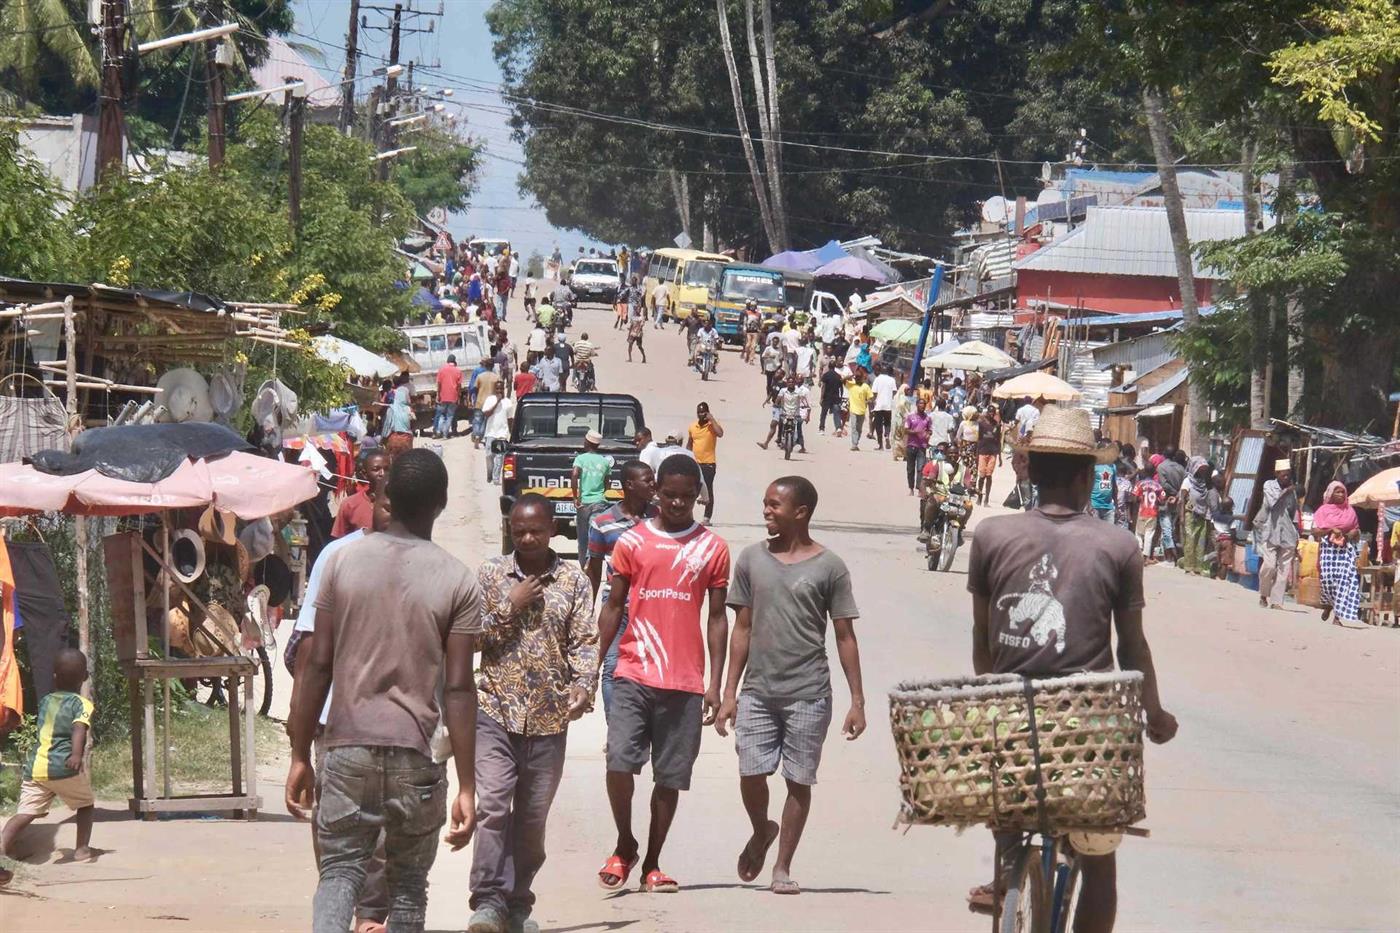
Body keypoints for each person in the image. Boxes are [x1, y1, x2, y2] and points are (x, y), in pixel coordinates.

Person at [966, 406, 1177, 926]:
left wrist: (991, 696)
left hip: (1012, 712)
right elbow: (1132, 646)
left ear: (1030, 471)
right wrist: (1154, 713)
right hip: (1090, 720)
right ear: (1088, 476)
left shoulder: (991, 536)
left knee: (1010, 808)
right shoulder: (1120, 545)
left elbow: (983, 635)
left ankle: (1010, 864)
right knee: (1099, 864)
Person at [285, 450, 484, 933]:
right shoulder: (457, 580)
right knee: (410, 886)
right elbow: (458, 689)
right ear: (440, 504)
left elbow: (317, 666)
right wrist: (467, 784)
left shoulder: (341, 562)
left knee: (339, 873)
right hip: (416, 756)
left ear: (387, 496)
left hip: (347, 748)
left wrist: (298, 754)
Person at [714, 476, 864, 896]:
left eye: (774, 505)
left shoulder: (830, 566)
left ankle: (782, 866)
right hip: (758, 691)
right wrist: (729, 693)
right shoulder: (750, 560)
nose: (766, 511)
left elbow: (845, 636)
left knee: (799, 780)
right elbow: (741, 628)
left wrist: (857, 701)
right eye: (764, 503)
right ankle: (762, 829)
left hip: (809, 692)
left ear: (801, 513)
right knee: (751, 773)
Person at [593, 455, 730, 895]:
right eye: (668, 494)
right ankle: (624, 842)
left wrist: (716, 683)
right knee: (619, 761)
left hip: (685, 681)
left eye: (686, 497)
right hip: (633, 671)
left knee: (669, 777)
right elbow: (613, 606)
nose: (676, 503)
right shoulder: (631, 542)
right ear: (656, 492)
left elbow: (717, 618)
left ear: (697, 496)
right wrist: (595, 663)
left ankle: (652, 861)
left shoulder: (713, 548)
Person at [470, 496, 596, 933]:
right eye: (519, 531)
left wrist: (583, 686)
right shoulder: (490, 574)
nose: (527, 538)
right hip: (494, 710)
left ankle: (518, 902)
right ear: (510, 529)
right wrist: (511, 603)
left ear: (551, 530)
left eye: (536, 531)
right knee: (491, 806)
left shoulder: (574, 579)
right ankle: (487, 901)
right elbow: (469, 638)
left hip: (548, 718)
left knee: (531, 817)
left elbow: (584, 641)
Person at [286, 482, 393, 933]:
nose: (395, 512)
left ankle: (370, 916)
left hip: (397, 729)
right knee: (333, 827)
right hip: (336, 722)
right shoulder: (337, 556)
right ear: (372, 504)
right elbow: (310, 651)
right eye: (388, 502)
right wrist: (297, 745)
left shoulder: (431, 565)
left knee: (388, 830)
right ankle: (341, 903)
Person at [2, 649, 95, 868]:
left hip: (36, 768)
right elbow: (79, 729)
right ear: (85, 677)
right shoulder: (82, 704)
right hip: (63, 767)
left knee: (26, 812)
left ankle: (2, 846)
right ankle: (81, 849)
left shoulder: (45, 701)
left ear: (54, 676)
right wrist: (76, 754)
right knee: (86, 804)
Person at [588, 461, 659, 720]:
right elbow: (594, 569)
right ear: (629, 485)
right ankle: (616, 727)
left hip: (652, 605)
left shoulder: (659, 518)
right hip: (617, 605)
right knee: (611, 667)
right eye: (648, 480)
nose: (654, 484)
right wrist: (589, 607)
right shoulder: (603, 522)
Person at [1312, 480, 1361, 625]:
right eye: (1337, 492)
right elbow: (1315, 532)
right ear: (1330, 494)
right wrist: (1330, 530)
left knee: (1343, 581)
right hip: (1328, 550)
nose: (1340, 495)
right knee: (1327, 581)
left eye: (1342, 492)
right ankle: (1328, 605)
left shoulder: (1350, 511)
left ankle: (1338, 616)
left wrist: (1350, 534)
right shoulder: (1323, 511)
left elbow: (1357, 531)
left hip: (1345, 550)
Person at [571, 431, 615, 567]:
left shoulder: (580, 459)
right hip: (599, 503)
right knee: (593, 535)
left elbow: (574, 475)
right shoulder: (605, 462)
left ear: (587, 442)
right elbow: (608, 482)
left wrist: (575, 496)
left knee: (583, 537)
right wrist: (602, 493)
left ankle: (584, 566)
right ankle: (592, 567)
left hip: (583, 503)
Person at [333, 450, 389, 538]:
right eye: (376, 469)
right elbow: (340, 541)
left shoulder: (399, 503)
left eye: (387, 469)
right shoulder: (349, 504)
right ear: (364, 474)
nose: (382, 474)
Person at [688, 403, 724, 525]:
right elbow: (690, 443)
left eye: (703, 412)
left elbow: (720, 433)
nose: (701, 414)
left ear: (707, 412)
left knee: (707, 490)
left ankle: (707, 518)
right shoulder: (693, 427)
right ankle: (688, 515)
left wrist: (712, 419)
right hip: (695, 463)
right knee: (692, 490)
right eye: (699, 412)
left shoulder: (712, 426)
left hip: (709, 464)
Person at [1155, 450, 1187, 565]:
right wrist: (1178, 494)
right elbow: (1184, 485)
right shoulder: (1181, 468)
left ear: (1164, 455)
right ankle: (1171, 556)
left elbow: (1164, 485)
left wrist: (1173, 493)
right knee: (1171, 529)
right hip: (1178, 502)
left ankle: (1171, 558)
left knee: (1166, 529)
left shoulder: (1161, 467)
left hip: (1166, 502)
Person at [482, 394, 517, 485]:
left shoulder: (508, 402)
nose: (499, 391)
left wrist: (511, 434)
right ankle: (490, 473)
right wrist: (497, 402)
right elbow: (486, 414)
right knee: (489, 456)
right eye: (497, 389)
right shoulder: (489, 399)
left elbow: (510, 419)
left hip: (501, 434)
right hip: (490, 433)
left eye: (501, 388)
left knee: (499, 457)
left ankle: (496, 478)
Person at [1132, 467, 1164, 561]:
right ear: (1154, 473)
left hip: (1142, 511)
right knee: (1149, 534)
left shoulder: (1139, 484)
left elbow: (1134, 499)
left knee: (1138, 533)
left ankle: (1138, 553)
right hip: (1153, 513)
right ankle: (1146, 557)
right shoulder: (1158, 485)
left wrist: (1139, 500)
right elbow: (1162, 500)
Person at [904, 397, 933, 497]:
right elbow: (906, 430)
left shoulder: (928, 418)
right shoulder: (910, 417)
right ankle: (910, 488)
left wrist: (928, 434)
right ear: (917, 405)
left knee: (921, 469)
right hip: (911, 445)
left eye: (924, 404)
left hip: (922, 446)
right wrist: (916, 432)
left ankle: (919, 488)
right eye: (920, 404)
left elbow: (930, 430)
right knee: (910, 469)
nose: (922, 406)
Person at [381, 375, 414, 461]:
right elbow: (413, 423)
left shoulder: (391, 409)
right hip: (407, 440)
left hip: (394, 440)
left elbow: (386, 427)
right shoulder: (408, 409)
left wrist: (382, 439)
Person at [975, 408, 1001, 506]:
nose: (991, 414)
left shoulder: (997, 425)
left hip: (993, 452)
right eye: (989, 412)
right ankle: (979, 497)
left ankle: (987, 499)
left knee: (989, 475)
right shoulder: (981, 424)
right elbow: (979, 439)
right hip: (982, 451)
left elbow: (998, 440)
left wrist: (1000, 456)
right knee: (981, 476)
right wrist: (977, 454)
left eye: (992, 412)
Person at [472, 360, 501, 448]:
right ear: (493, 367)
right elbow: (499, 390)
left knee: (477, 420)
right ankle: (482, 436)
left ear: (485, 366)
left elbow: (475, 388)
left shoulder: (480, 376)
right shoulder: (496, 377)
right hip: (491, 403)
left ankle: (477, 435)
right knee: (487, 421)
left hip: (480, 401)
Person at [435, 354, 464, 439]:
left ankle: (439, 430)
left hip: (442, 396)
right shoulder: (458, 371)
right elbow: (459, 386)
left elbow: (439, 384)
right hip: (453, 397)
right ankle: (445, 434)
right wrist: (458, 396)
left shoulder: (441, 370)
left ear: (447, 361)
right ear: (454, 362)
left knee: (442, 415)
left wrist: (438, 394)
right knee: (450, 416)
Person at [844, 370, 874, 452]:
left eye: (859, 377)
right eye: (856, 377)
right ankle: (854, 444)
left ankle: (856, 441)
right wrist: (851, 376)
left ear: (862, 378)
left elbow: (871, 399)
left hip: (862, 410)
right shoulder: (851, 385)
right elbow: (842, 380)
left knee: (859, 429)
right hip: (853, 410)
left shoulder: (865, 387)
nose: (857, 379)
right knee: (854, 427)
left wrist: (866, 402)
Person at [870, 366, 898, 451]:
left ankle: (880, 445)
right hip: (888, 406)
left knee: (878, 425)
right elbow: (894, 391)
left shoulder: (877, 379)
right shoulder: (892, 380)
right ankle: (887, 436)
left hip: (879, 405)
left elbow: (874, 392)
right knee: (887, 423)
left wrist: (873, 401)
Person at [817, 361, 844, 435]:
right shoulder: (838, 376)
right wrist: (840, 397)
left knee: (823, 414)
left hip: (827, 398)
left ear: (828, 366)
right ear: (835, 366)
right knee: (836, 413)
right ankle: (838, 428)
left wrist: (821, 398)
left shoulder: (826, 375)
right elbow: (841, 388)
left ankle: (822, 429)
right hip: (835, 398)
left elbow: (823, 387)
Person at [1091, 456, 1117, 522]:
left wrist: (1116, 505)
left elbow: (1114, 486)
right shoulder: (1094, 465)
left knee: (1109, 531)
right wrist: (1089, 504)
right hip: (1095, 505)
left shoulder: (1113, 466)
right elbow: (1087, 484)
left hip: (1109, 506)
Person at [761, 335, 783, 403]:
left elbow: (781, 358)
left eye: (776, 342)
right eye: (774, 342)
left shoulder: (779, 349)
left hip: (776, 368)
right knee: (769, 383)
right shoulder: (768, 348)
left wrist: (780, 367)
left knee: (776, 384)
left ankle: (775, 396)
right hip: (769, 368)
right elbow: (763, 356)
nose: (775, 343)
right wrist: (770, 356)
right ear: (772, 342)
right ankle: (768, 396)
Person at [627, 299, 649, 364]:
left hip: (638, 333)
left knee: (639, 346)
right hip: (633, 333)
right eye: (637, 309)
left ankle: (644, 357)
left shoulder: (641, 318)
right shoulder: (633, 317)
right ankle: (630, 358)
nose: (638, 310)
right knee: (630, 345)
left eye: (639, 309)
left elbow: (642, 325)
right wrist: (629, 335)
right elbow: (631, 326)